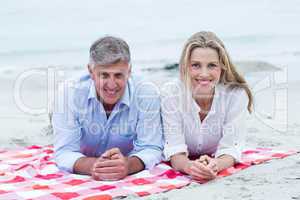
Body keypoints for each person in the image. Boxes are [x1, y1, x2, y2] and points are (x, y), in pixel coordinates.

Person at [52, 36, 163, 181]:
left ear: (129, 71)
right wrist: (95, 166)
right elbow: (64, 152)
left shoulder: (147, 93)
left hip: (124, 157)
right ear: (90, 71)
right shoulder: (69, 92)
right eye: (104, 75)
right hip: (79, 140)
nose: (111, 84)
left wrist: (128, 165)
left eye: (118, 75)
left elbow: (152, 147)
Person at [161, 31, 253, 181]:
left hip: (215, 159)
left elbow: (231, 148)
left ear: (222, 67)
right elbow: (175, 151)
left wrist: (214, 165)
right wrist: (191, 167)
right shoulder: (171, 93)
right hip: (185, 160)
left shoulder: (235, 94)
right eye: (196, 65)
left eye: (212, 65)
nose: (204, 74)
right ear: (185, 67)